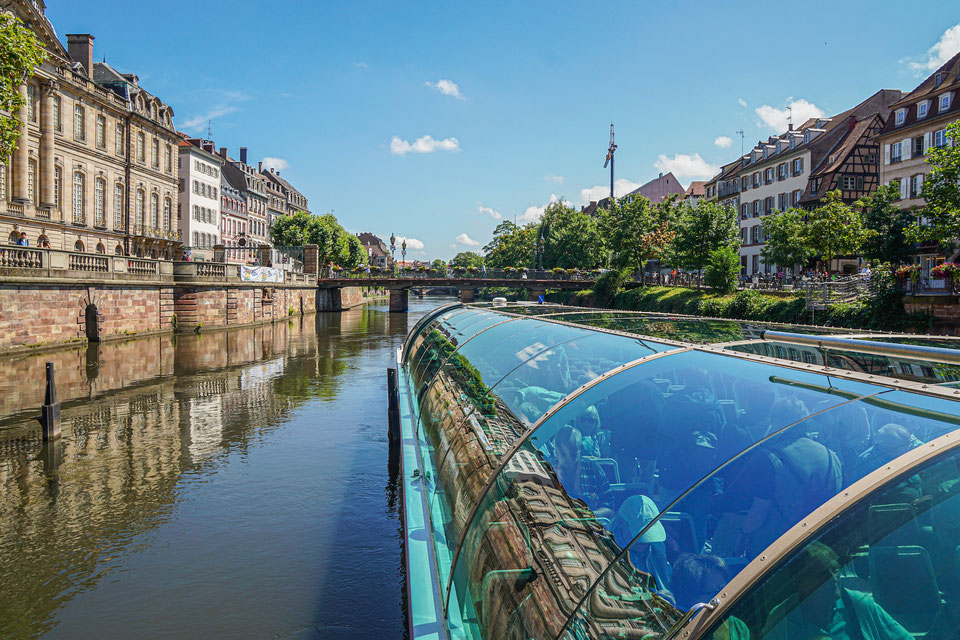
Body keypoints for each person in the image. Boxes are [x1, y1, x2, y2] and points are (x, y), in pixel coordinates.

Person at [761, 542, 911, 640]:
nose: (833, 578)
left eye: (835, 570)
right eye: (823, 575)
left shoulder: (857, 604)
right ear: (801, 581)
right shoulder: (782, 618)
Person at [612, 494, 673, 602]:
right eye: (640, 534)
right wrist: (650, 596)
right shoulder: (607, 547)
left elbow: (667, 582)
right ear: (622, 523)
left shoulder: (657, 546)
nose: (646, 541)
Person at [554, 425, 613, 519]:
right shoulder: (547, 471)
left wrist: (588, 515)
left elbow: (609, 507)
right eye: (563, 454)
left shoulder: (594, 470)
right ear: (556, 449)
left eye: (572, 455)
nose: (568, 460)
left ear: (580, 448)